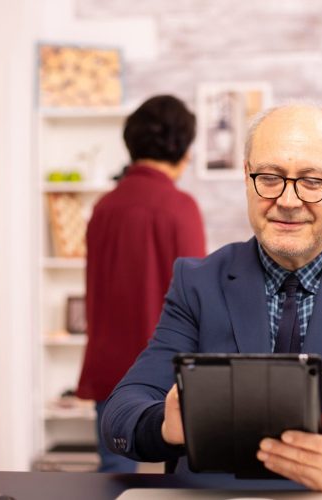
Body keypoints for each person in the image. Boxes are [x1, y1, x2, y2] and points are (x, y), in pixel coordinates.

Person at [101, 102, 322, 490]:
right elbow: (121, 412)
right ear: (247, 178)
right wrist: (164, 426)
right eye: (270, 177)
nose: (287, 200)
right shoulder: (196, 282)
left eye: (312, 181)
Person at [76, 95, 206, 472]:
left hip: (108, 367)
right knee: (184, 485)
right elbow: (199, 301)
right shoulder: (179, 207)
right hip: (163, 377)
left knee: (113, 480)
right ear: (183, 148)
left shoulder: (104, 207)